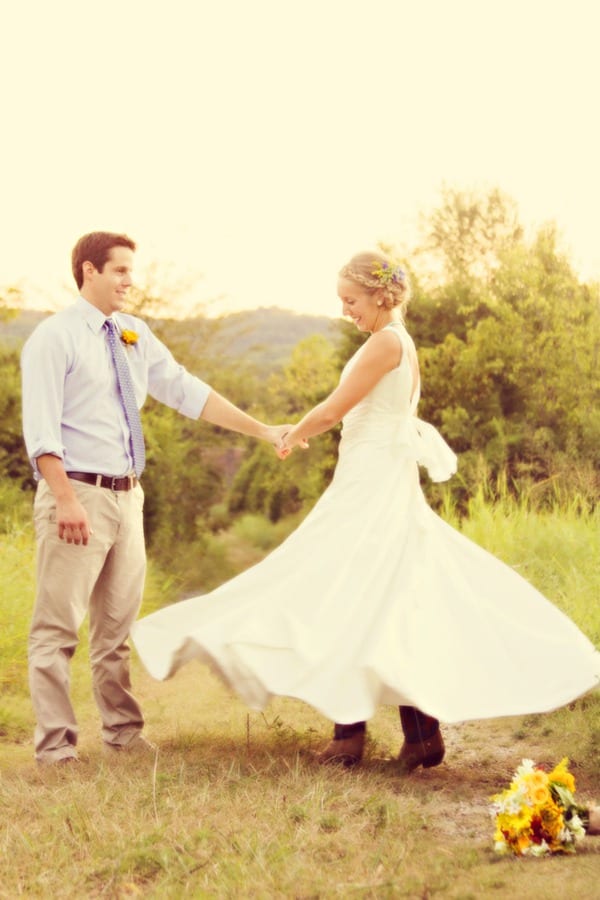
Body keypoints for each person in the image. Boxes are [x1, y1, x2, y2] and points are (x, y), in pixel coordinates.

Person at [131, 251, 600, 772]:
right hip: (369, 478)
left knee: (343, 589)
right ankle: (409, 735)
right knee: (375, 595)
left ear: (380, 295)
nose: (344, 310)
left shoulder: (386, 342)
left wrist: (291, 435)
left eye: (350, 300)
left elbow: (335, 407)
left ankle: (356, 736)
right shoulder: (394, 340)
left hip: (372, 485)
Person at [21, 231, 290, 766]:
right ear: (88, 271)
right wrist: (65, 499)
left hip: (127, 497)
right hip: (76, 493)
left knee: (116, 628)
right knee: (56, 630)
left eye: (131, 271)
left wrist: (262, 430)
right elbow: (42, 431)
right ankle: (55, 749)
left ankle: (121, 733)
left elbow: (189, 391)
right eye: (120, 270)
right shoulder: (54, 338)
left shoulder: (133, 334)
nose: (129, 281)